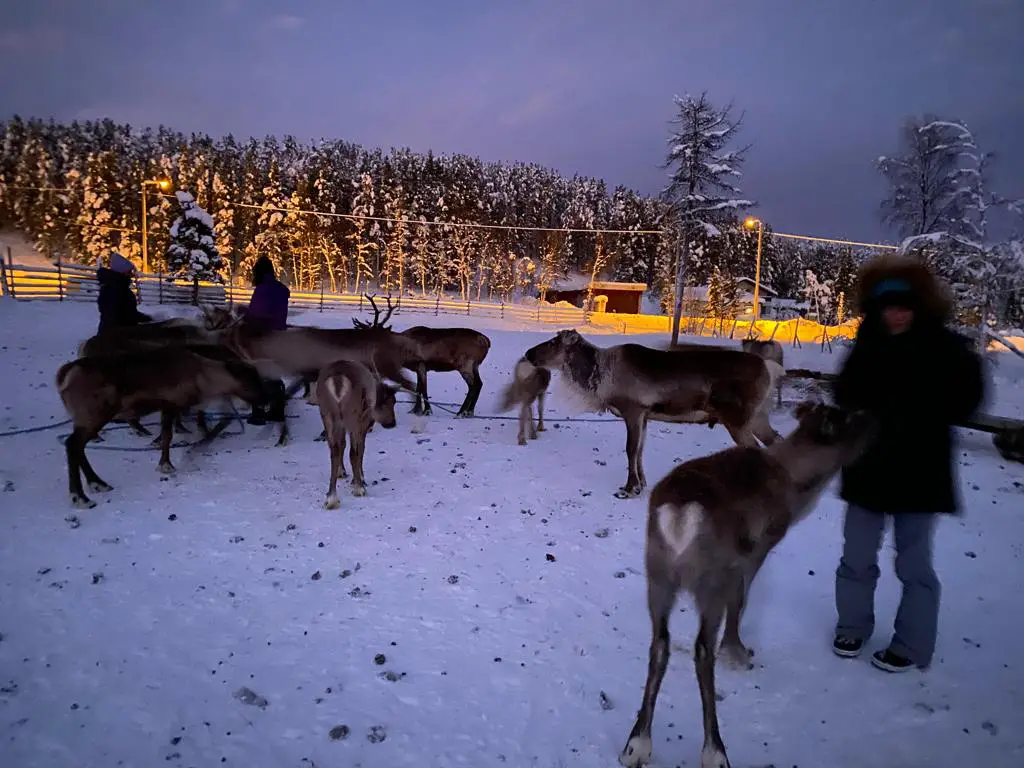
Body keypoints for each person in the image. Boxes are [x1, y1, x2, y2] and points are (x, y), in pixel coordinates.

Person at [831, 254, 985, 673]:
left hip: (920, 472)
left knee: (914, 564)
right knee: (856, 556)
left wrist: (917, 406)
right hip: (868, 470)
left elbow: (967, 400)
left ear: (920, 307)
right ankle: (852, 626)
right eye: (888, 307)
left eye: (904, 307)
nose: (896, 315)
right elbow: (844, 393)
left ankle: (912, 644)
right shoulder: (867, 345)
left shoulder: (949, 349)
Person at [242, 256, 290, 425]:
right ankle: (277, 411)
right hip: (280, 338)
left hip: (263, 338)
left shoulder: (262, 290)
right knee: (274, 374)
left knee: (256, 374)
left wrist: (244, 316)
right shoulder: (281, 289)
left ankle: (259, 413)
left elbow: (256, 314)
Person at [96, 252, 152, 334]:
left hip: (123, 332)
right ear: (122, 272)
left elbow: (128, 312)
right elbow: (111, 317)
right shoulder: (112, 289)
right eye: (129, 272)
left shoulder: (120, 287)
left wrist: (147, 319)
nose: (131, 274)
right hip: (114, 337)